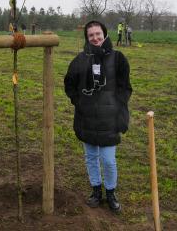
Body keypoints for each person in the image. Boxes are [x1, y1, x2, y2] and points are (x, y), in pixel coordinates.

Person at [64, 20, 132, 213]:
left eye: (98, 34)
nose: (95, 38)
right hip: (86, 118)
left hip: (109, 119)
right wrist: (79, 101)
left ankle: (110, 192)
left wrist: (117, 106)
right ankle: (96, 190)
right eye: (91, 35)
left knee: (108, 160)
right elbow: (69, 84)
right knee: (91, 157)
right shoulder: (80, 59)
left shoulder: (118, 59)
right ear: (87, 37)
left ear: (105, 34)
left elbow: (125, 87)